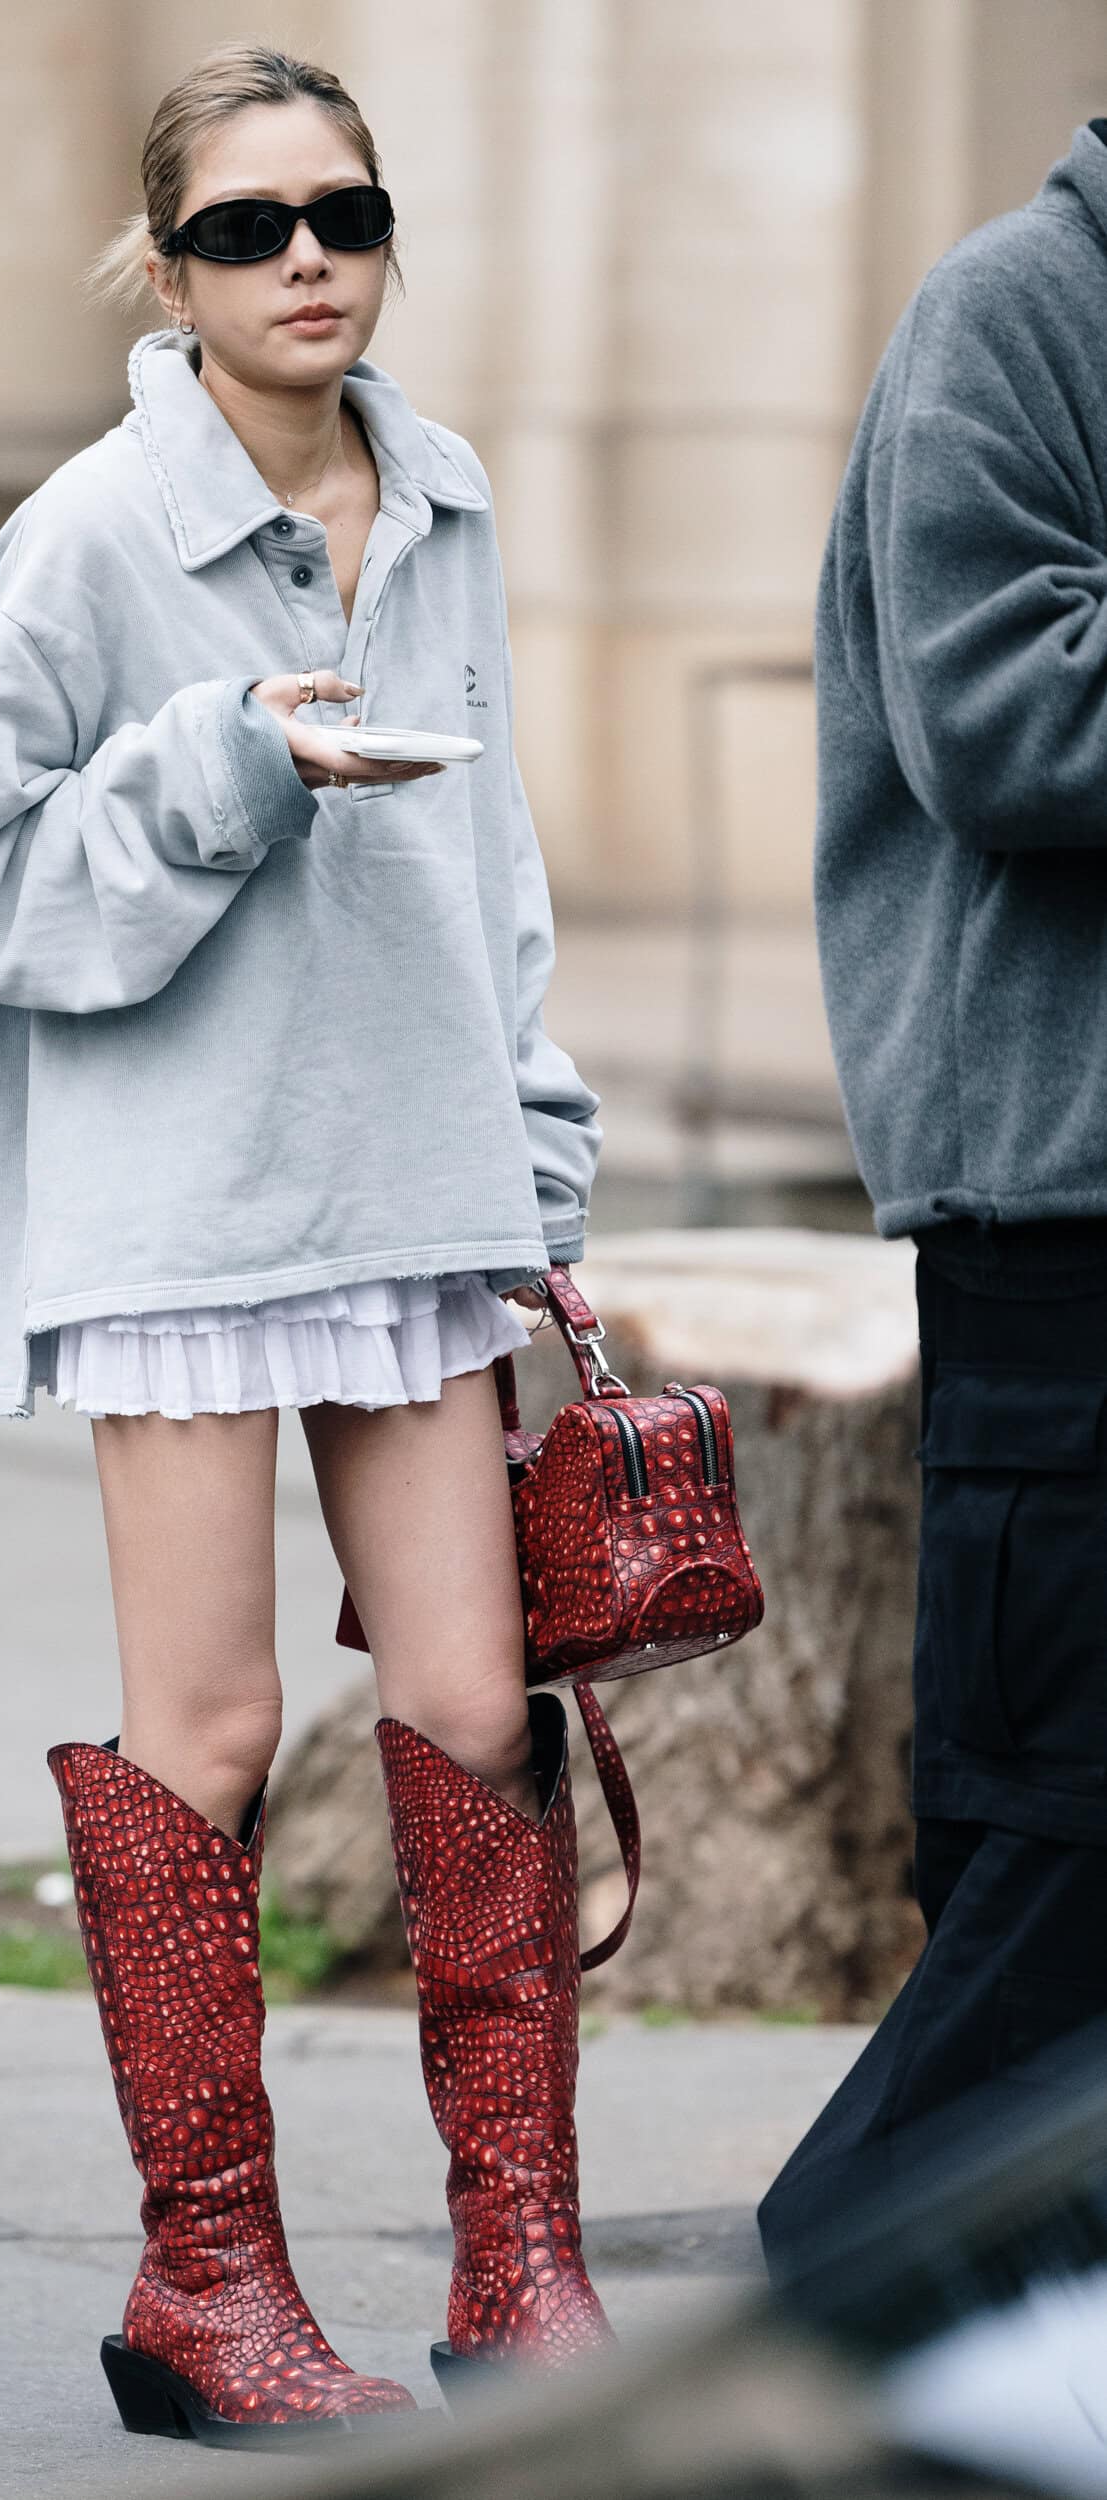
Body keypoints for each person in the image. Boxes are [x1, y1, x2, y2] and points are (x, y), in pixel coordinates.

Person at [0, 42, 608, 2446]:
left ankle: (522, 2256)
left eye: (347, 215)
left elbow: (491, 886)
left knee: (479, 1708)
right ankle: (209, 2281)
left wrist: (540, 1166)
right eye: (245, 227)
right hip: (183, 1202)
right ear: (160, 266)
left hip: (408, 1190)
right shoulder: (88, 535)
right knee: (206, 1729)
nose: (308, 260)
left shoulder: (452, 494)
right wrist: (224, 765)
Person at [758, 120, 1107, 2274]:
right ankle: (844, 2293)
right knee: (1067, 1825)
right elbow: (1008, 721)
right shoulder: (1016, 310)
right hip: (1065, 1219)